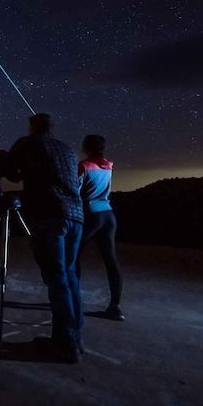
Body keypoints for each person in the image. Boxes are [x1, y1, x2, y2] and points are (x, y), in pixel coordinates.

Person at [1, 113, 85, 363]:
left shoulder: (26, 143)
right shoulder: (67, 149)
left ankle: (66, 345)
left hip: (50, 216)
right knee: (69, 278)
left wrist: (2, 165)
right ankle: (74, 338)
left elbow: (10, 173)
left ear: (32, 127)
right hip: (76, 217)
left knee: (57, 279)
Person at [77, 134, 125, 321]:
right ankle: (115, 306)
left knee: (72, 257)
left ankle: (71, 298)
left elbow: (75, 189)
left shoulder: (84, 166)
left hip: (91, 215)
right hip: (108, 215)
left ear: (85, 147)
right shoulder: (108, 166)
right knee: (111, 260)